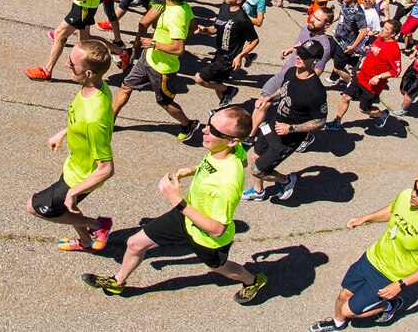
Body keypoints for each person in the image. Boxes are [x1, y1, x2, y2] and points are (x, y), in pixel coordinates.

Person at [81, 106, 268, 304]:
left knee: (219, 268)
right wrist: (193, 169)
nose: (204, 130)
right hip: (185, 215)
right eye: (209, 123)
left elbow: (217, 230)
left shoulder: (228, 181)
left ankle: (253, 280)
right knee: (135, 243)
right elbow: (241, 161)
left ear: (232, 140)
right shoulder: (231, 149)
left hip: (206, 238)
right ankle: (118, 282)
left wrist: (176, 200)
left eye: (213, 131)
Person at [309, 168, 418, 331]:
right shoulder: (406, 196)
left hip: (390, 275)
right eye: (415, 187)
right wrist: (365, 219)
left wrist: (400, 285)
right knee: (343, 295)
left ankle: (389, 306)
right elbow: (392, 211)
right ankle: (337, 324)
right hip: (371, 258)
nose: (413, 194)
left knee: (348, 311)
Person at [27, 39, 115, 253]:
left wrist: (74, 191)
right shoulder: (95, 87)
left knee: (35, 207)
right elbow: (81, 122)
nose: (66, 65)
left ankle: (98, 225)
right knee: (68, 207)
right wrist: (64, 132)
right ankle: (86, 242)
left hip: (80, 176)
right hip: (74, 164)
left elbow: (107, 169)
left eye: (73, 64)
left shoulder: (94, 118)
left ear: (89, 73)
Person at [112, 0, 198, 141]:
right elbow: (194, 27)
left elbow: (179, 49)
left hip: (163, 69)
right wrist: (161, 39)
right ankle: (109, 121)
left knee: (165, 102)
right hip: (148, 58)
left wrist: (155, 43)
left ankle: (188, 124)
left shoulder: (175, 15)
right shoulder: (184, 6)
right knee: (126, 86)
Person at [242, 40, 329, 202]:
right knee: (255, 156)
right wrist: (268, 98)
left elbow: (320, 122)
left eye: (304, 56)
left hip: (288, 138)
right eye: (299, 52)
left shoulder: (316, 92)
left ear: (314, 61)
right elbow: (284, 90)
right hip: (273, 125)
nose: (299, 57)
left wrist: (291, 129)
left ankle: (287, 180)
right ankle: (258, 191)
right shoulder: (291, 72)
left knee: (258, 171)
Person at [193, 0, 259, 112]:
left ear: (239, 0)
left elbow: (255, 40)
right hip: (219, 54)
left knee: (199, 78)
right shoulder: (223, 8)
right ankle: (224, 108)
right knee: (216, 84)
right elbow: (215, 29)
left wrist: (240, 55)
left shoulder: (242, 19)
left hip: (228, 59)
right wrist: (204, 30)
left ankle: (230, 90)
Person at [326, 19, 401, 130]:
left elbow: (396, 71)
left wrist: (379, 77)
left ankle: (382, 114)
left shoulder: (393, 49)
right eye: (383, 26)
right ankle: (337, 122)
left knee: (364, 109)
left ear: (393, 34)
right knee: (345, 97)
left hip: (372, 85)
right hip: (361, 76)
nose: (382, 29)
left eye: (386, 28)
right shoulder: (380, 38)